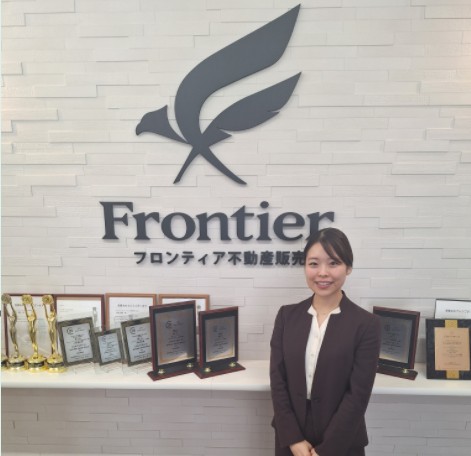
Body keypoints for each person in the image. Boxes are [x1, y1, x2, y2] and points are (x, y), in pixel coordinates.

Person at [270, 227, 380, 456]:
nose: (322, 273)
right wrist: (293, 439)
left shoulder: (366, 324)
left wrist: (327, 450)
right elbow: (278, 380)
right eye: (313, 263)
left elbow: (358, 395)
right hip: (291, 437)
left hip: (342, 440)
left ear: (348, 267)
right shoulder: (286, 316)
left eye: (333, 263)